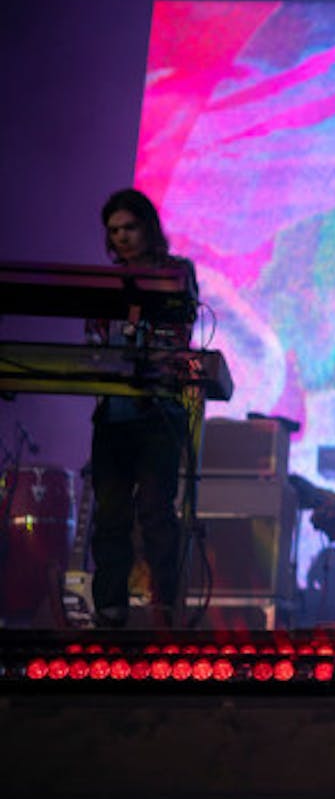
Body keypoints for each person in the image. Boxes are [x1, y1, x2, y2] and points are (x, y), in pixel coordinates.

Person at [86, 188, 198, 629]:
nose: (122, 238)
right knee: (110, 514)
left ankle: (164, 609)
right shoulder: (100, 284)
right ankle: (110, 610)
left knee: (155, 514)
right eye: (114, 231)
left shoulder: (176, 273)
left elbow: (181, 333)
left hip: (158, 416)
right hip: (113, 416)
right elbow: (93, 341)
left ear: (147, 228)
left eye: (129, 227)